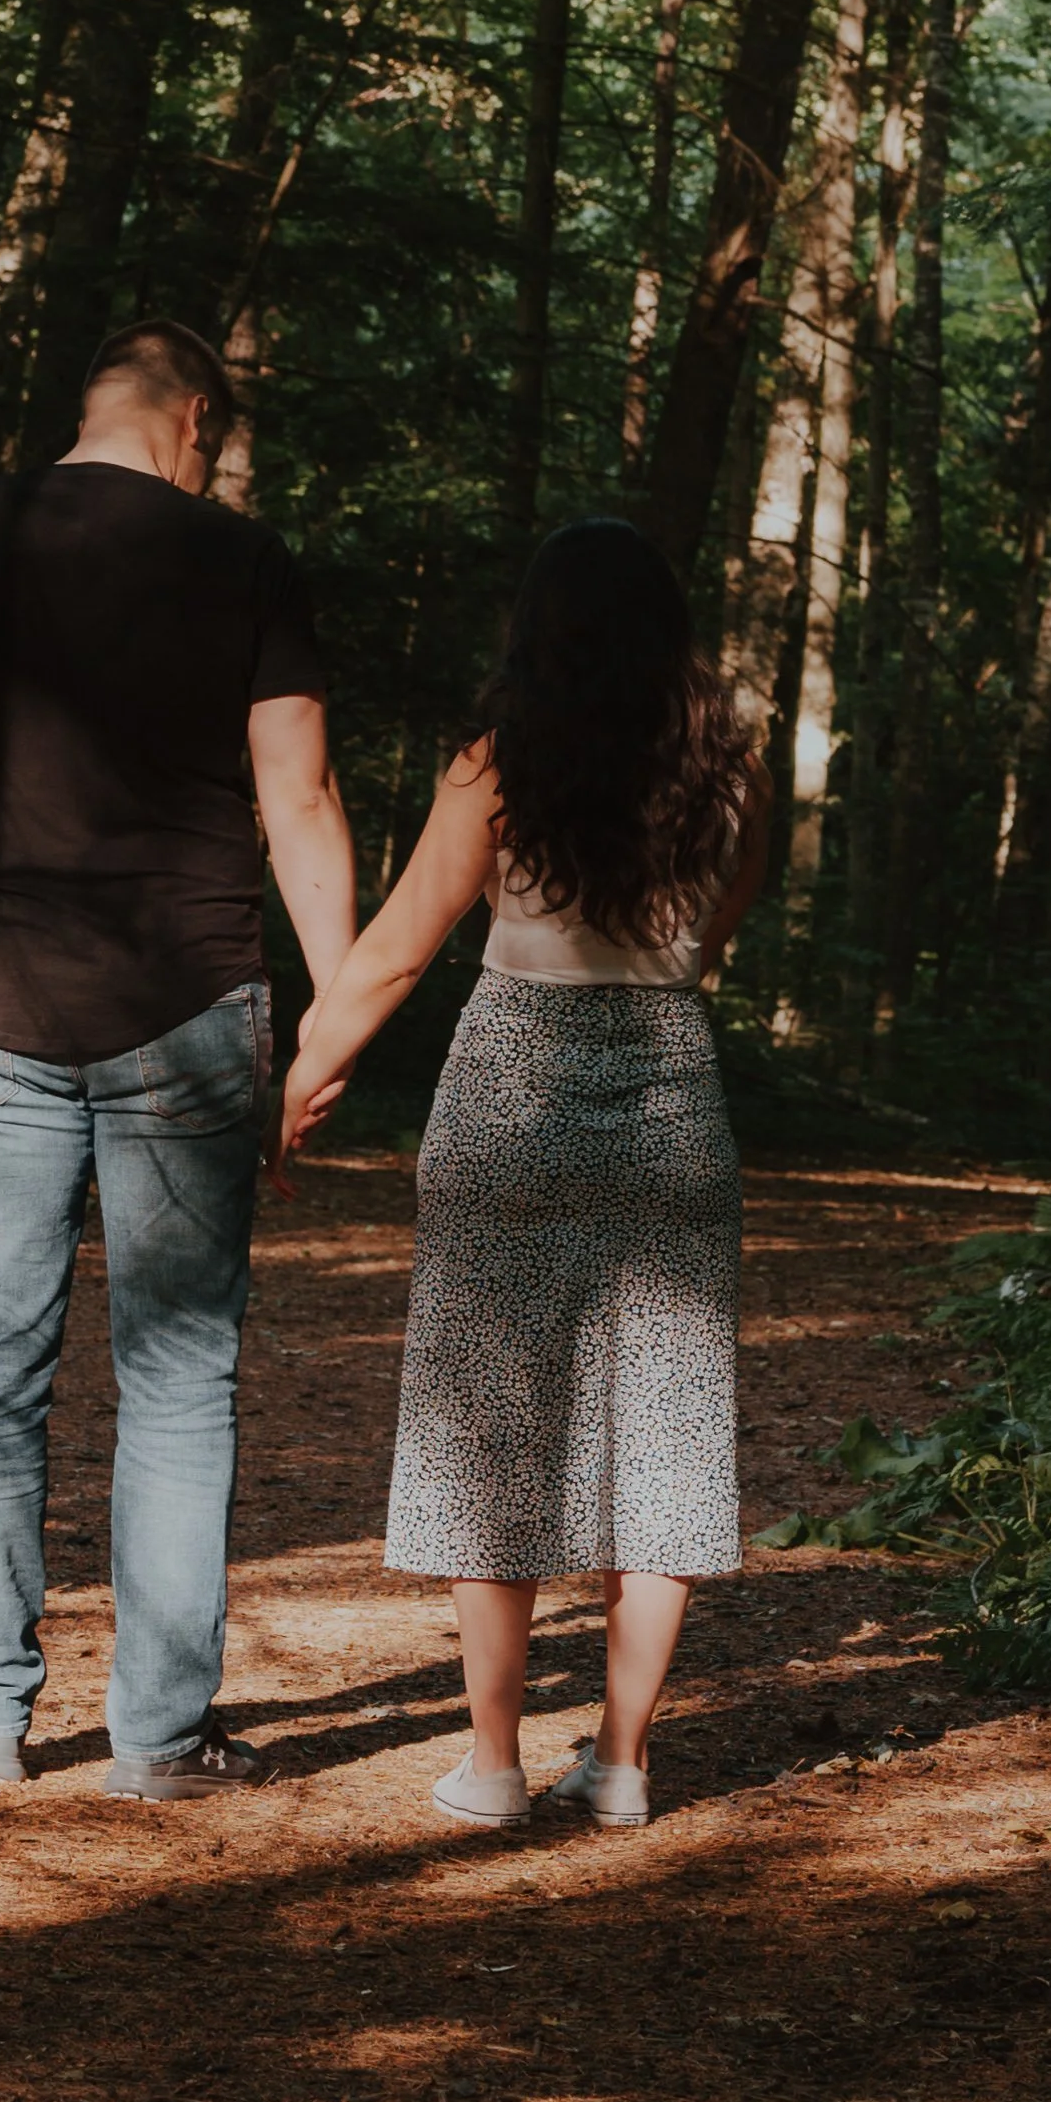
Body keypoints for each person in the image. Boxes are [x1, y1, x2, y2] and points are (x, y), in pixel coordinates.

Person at [0, 321, 357, 1799]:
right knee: (180, 1384)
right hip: (191, 1005)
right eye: (216, 442)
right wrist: (335, 1010)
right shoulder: (242, 561)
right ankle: (159, 1739)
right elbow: (298, 796)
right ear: (191, 418)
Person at [276, 517, 768, 1829]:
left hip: (509, 1092)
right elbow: (719, 924)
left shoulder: (497, 764)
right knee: (658, 1435)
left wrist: (301, 1073)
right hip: (669, 1091)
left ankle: (490, 1765)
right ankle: (619, 1765)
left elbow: (393, 951)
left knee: (491, 1428)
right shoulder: (732, 765)